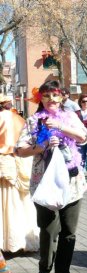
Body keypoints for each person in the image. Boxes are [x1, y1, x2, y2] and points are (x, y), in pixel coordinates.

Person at [15, 80, 87, 273]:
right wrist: (42, 146)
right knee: (48, 229)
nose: (51, 100)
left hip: (72, 183)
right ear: (41, 98)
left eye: (55, 95)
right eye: (46, 95)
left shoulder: (71, 117)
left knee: (69, 230)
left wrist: (62, 127)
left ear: (62, 97)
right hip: (43, 182)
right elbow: (19, 150)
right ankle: (44, 269)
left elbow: (85, 137)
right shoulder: (33, 121)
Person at [0, 94, 39, 253]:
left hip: (4, 161)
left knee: (4, 201)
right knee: (22, 202)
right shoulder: (19, 119)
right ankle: (23, 240)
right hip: (21, 161)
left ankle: (6, 241)